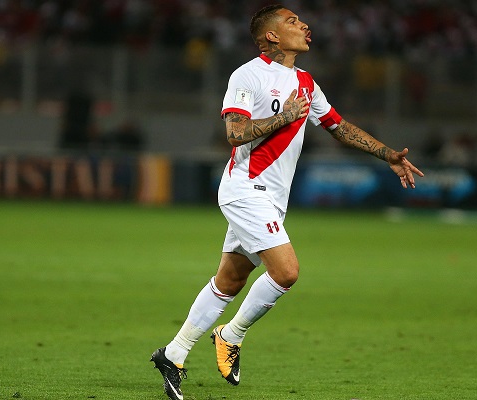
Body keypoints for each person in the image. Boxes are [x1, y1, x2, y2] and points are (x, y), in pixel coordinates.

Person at [150, 5, 424, 400]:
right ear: (272, 35)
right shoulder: (247, 75)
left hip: (273, 199)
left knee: (229, 280)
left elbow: (339, 127)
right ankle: (230, 335)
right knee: (287, 271)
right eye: (293, 21)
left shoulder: (306, 83)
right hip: (246, 190)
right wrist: (285, 117)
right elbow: (234, 132)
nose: (304, 25)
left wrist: (388, 155)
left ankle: (172, 354)